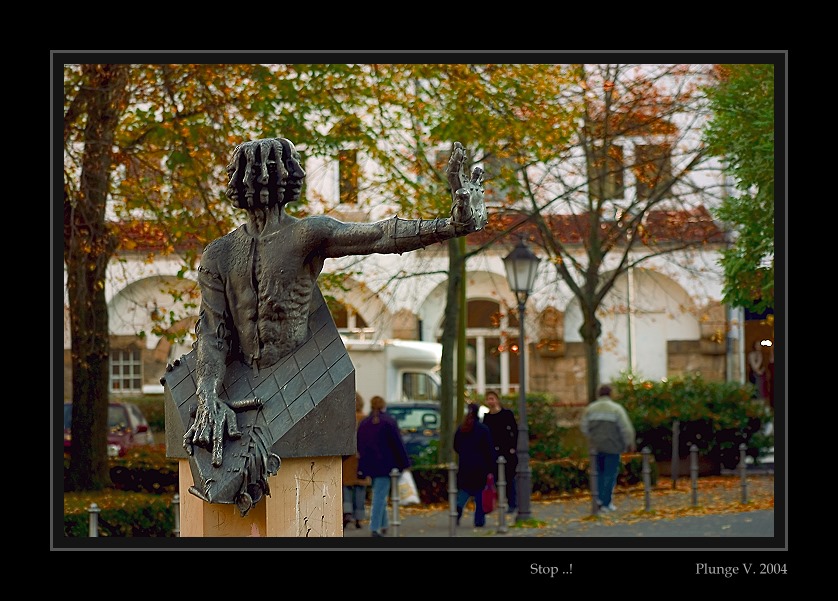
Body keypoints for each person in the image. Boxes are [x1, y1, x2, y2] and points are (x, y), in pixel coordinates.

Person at [180, 137, 486, 505]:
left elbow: (380, 236)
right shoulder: (220, 252)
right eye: (251, 175)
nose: (257, 183)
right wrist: (208, 393)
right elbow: (213, 333)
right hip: (244, 383)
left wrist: (452, 225)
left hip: (295, 375)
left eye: (264, 174)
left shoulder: (305, 234)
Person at [356, 395, 411, 537]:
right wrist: (405, 463)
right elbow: (397, 445)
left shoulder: (364, 424)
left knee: (379, 493)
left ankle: (384, 524)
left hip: (370, 466)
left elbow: (360, 445)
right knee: (380, 496)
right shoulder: (389, 422)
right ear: (383, 406)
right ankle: (375, 528)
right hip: (387, 466)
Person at [580, 384, 636, 512]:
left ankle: (598, 499)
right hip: (613, 446)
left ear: (598, 394)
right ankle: (606, 502)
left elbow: (583, 427)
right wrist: (629, 443)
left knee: (598, 473)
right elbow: (625, 428)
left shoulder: (590, 409)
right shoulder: (616, 409)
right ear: (611, 394)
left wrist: (592, 438)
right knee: (609, 474)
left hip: (596, 447)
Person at [453, 403, 496, 527]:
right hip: (480, 466)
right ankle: (479, 520)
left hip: (465, 465)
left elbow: (456, 446)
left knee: (464, 491)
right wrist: (491, 467)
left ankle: (458, 510)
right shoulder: (483, 430)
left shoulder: (462, 429)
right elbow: (489, 450)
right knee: (480, 493)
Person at [481, 389, 518, 514]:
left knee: (509, 478)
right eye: (488, 399)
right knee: (495, 479)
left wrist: (513, 448)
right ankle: (496, 502)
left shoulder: (507, 414)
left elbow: (514, 431)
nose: (490, 401)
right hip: (493, 453)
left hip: (507, 452)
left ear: (497, 400)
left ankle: (512, 503)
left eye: (492, 398)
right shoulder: (487, 418)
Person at [342, 392, 371, 530]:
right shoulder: (365, 419)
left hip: (348, 457)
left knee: (346, 486)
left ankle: (347, 512)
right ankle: (359, 517)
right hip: (362, 458)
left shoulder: (346, 418)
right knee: (360, 488)